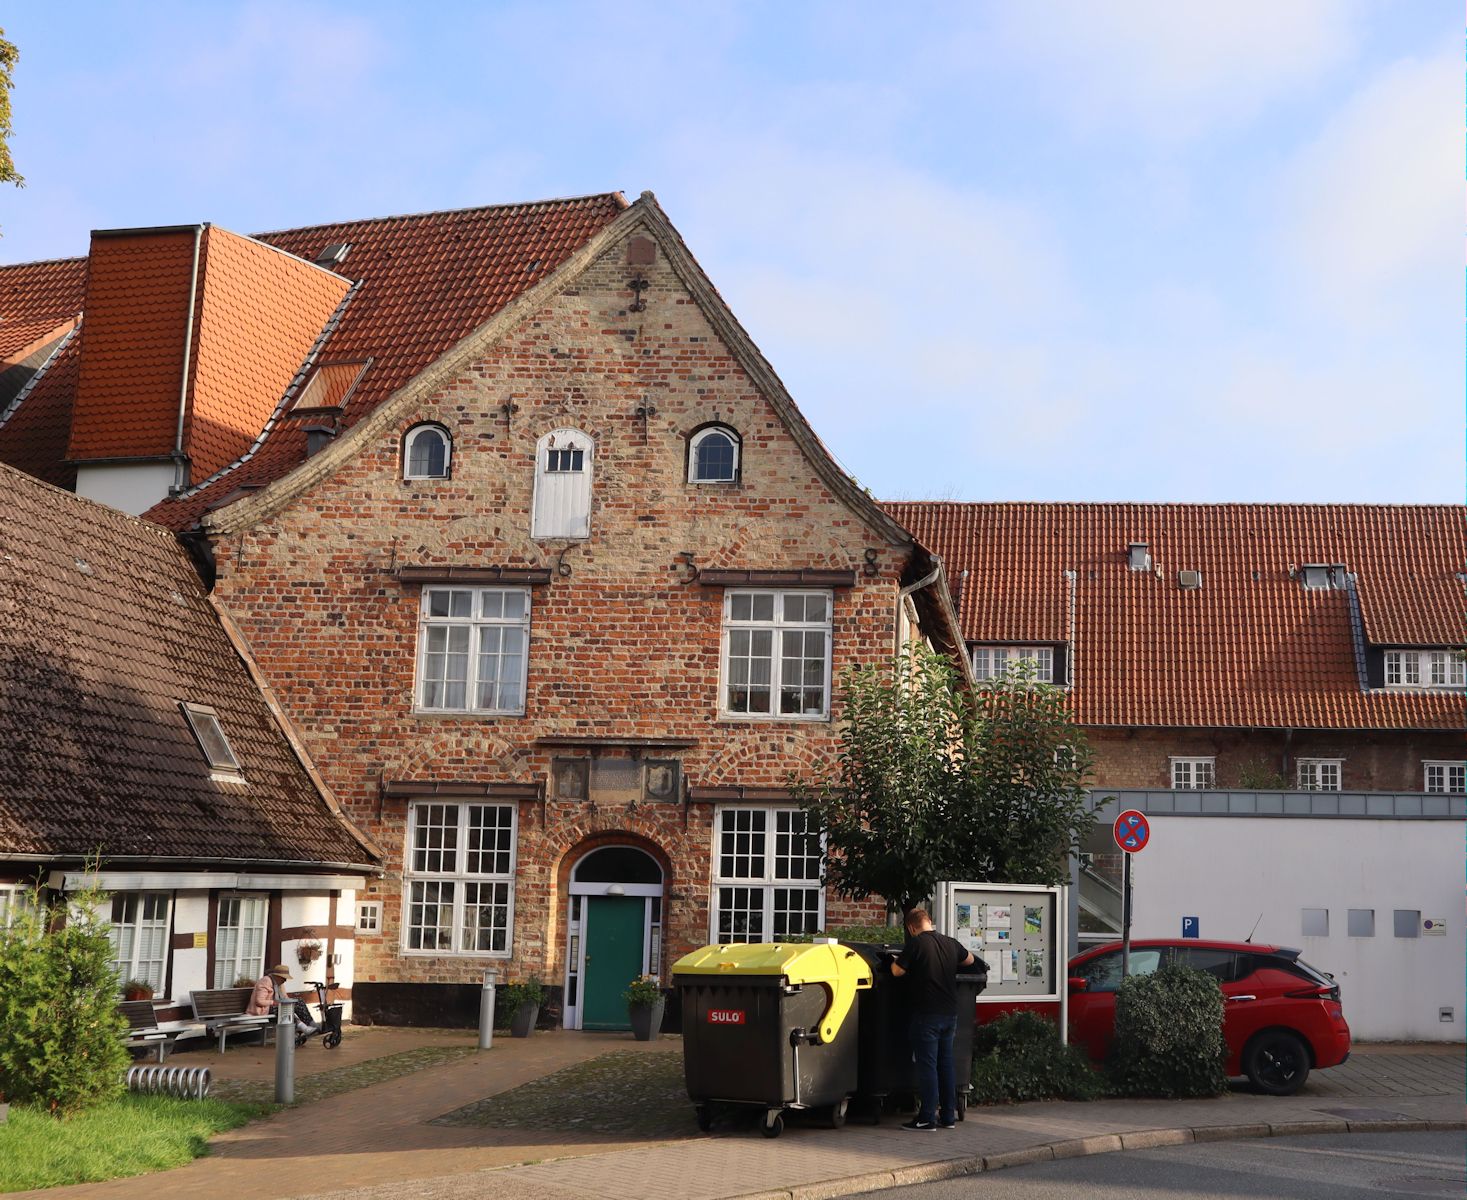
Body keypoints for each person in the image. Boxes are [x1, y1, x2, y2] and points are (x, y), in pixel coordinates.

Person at [891, 907, 975, 1131]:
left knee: (927, 1065)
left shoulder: (916, 943)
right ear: (929, 921)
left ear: (911, 927)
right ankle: (948, 1116)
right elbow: (970, 960)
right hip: (950, 1014)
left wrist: (898, 959)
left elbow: (896, 972)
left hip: (927, 1015)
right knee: (945, 1064)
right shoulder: (950, 942)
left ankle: (927, 1117)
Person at [247, 964, 318, 1037]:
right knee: (283, 1008)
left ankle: (311, 1024)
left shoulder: (279, 983)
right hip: (263, 1010)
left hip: (275, 1008)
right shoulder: (265, 981)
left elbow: (285, 998)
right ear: (277, 976)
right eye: (284, 978)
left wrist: (291, 1002)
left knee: (298, 1002)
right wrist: (274, 1002)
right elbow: (259, 1001)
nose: (285, 980)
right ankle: (304, 1028)